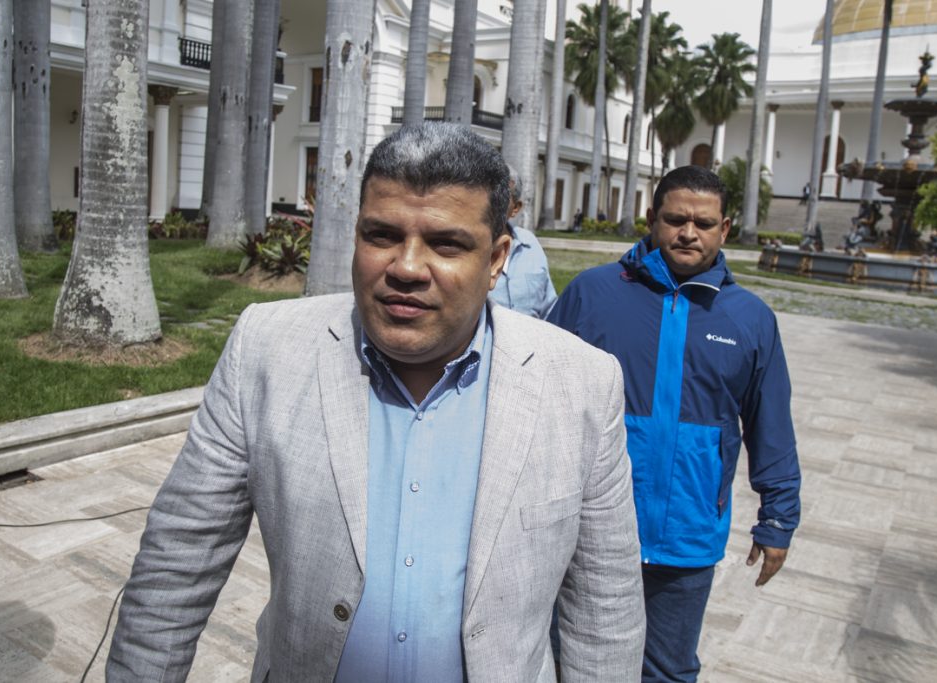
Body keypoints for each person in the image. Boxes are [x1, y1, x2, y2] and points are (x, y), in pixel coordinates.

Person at [107, 122, 644, 682]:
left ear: (496, 260)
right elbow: (176, 564)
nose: (406, 268)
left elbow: (605, 612)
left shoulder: (582, 384)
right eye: (382, 235)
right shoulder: (265, 349)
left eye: (446, 243)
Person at [548, 165, 801, 683]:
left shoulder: (750, 319)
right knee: (570, 662)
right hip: (589, 527)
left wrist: (778, 519)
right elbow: (538, 394)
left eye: (703, 223)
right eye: (676, 220)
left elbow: (770, 423)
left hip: (686, 533)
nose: (689, 233)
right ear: (652, 218)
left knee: (667, 671)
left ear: (724, 229)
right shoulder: (593, 293)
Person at [488, 164, 558, 318]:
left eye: (502, 197)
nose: (493, 204)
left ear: (515, 208)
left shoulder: (530, 244)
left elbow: (549, 307)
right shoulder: (465, 247)